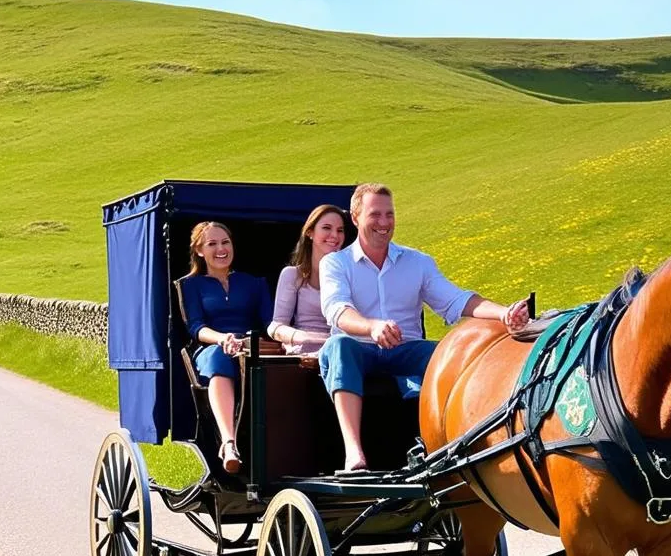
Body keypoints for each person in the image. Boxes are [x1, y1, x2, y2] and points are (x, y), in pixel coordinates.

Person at [319, 182, 530, 471]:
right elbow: (337, 311)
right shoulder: (335, 263)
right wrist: (371, 328)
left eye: (389, 215)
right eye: (375, 215)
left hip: (406, 349)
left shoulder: (417, 262)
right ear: (355, 218)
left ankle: (450, 445)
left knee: (448, 352)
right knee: (338, 346)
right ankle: (354, 453)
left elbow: (455, 300)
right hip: (359, 349)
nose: (384, 223)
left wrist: (504, 313)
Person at [179, 221, 272, 474]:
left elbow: (269, 323)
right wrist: (222, 338)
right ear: (199, 251)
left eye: (225, 242)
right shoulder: (191, 285)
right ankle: (228, 444)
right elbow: (196, 327)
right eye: (212, 244)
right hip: (211, 347)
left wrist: (251, 342)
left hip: (249, 345)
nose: (221, 249)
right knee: (219, 357)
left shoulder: (254, 284)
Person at [267, 204, 348, 352]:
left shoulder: (350, 275)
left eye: (340, 230)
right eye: (327, 228)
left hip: (339, 349)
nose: (335, 235)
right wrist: (299, 337)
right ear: (310, 232)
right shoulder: (292, 275)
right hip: (303, 351)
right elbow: (276, 326)